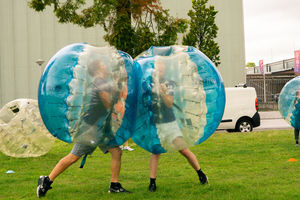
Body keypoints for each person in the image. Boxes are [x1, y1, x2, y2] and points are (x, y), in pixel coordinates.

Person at [36, 60, 130, 198]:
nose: (106, 65)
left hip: (101, 127)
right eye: (104, 64)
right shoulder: (99, 83)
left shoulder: (102, 82)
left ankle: (114, 185)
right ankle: (47, 180)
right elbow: (109, 103)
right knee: (74, 156)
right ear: (98, 69)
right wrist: (120, 91)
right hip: (90, 128)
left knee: (116, 151)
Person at [148, 60, 208, 192]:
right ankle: (152, 183)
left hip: (169, 123)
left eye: (161, 70)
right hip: (156, 123)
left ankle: (201, 174)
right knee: (156, 152)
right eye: (157, 69)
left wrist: (162, 90)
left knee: (183, 149)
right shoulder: (149, 83)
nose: (159, 72)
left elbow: (169, 103)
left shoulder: (168, 84)